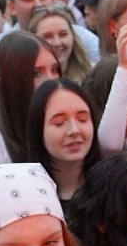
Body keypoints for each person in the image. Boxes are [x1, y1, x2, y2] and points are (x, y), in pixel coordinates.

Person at [0, 31, 61, 170]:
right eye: (36, 73)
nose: (51, 81)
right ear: (8, 82)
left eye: (55, 70)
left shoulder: (70, 133)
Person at [25, 79, 103, 213]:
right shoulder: (26, 199)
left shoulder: (113, 188)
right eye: (59, 122)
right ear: (38, 131)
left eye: (82, 119)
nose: (74, 130)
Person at [30, 5, 92, 83]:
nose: (57, 43)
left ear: (73, 37)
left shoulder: (92, 76)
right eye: (47, 36)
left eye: (63, 34)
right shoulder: (25, 80)